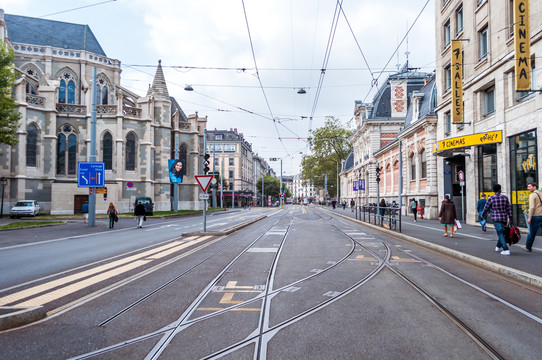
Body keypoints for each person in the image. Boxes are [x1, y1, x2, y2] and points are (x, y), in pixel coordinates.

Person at [482, 184, 513, 255]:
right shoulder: (505, 198)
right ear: (500, 190)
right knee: (502, 232)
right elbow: (509, 209)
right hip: (504, 218)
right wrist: (510, 218)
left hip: (496, 218)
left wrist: (482, 215)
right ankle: (498, 246)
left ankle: (506, 249)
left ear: (493, 190)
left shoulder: (491, 198)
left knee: (500, 233)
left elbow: (486, 208)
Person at [523, 182, 542, 252]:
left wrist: (529, 217)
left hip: (536, 216)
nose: (528, 188)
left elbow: (532, 207)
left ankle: (528, 247)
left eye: (530, 187)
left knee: (532, 233)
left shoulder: (533, 195)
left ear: (535, 187)